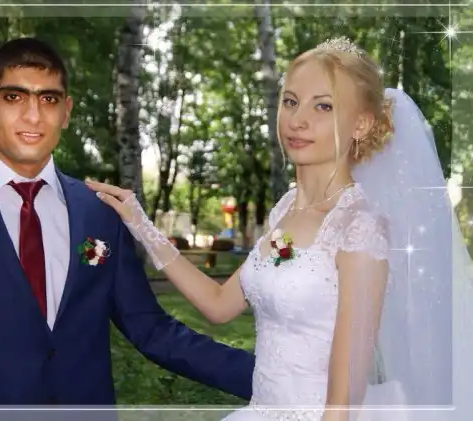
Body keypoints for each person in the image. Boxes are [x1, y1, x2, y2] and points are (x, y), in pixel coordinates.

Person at [87, 36, 473, 421]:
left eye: (323, 106)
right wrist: (140, 223)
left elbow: (342, 404)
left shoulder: (359, 227)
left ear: (361, 124)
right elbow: (219, 305)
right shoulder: (285, 210)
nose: (297, 120)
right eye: (290, 101)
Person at [0, 37, 256, 414]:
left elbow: (152, 330)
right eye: (14, 97)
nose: (33, 116)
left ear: (66, 112)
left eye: (48, 99)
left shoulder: (100, 213)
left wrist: (267, 376)